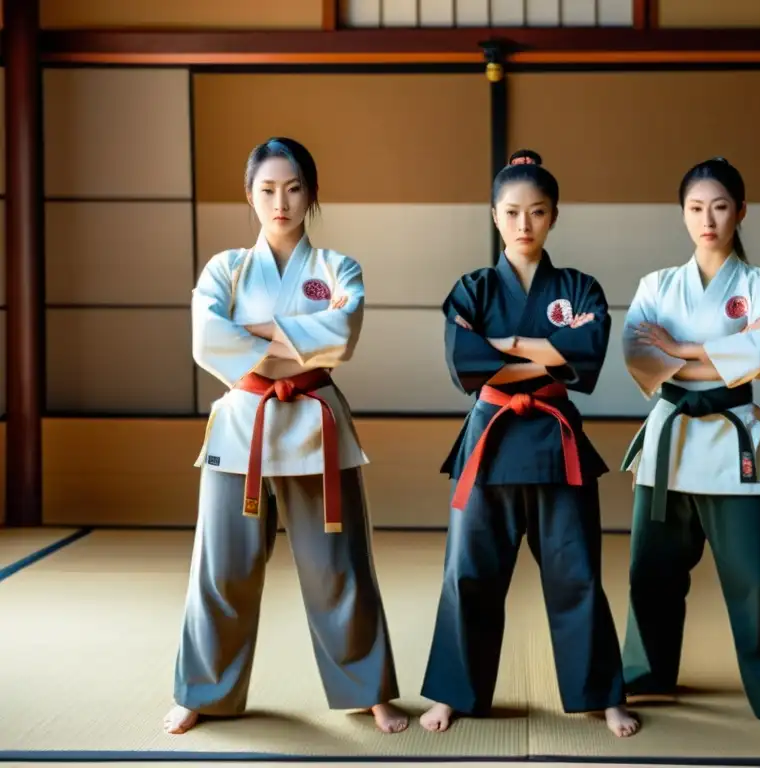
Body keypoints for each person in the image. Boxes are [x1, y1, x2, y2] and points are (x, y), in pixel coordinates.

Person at [163, 137, 408, 736]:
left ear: (311, 194)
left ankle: (369, 690)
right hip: (243, 422)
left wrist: (254, 332)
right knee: (222, 567)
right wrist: (295, 338)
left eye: (294, 189)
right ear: (250, 196)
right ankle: (202, 691)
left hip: (315, 426)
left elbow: (340, 339)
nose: (281, 202)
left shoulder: (337, 268)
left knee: (338, 567)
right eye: (268, 190)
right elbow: (206, 342)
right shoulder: (226, 267)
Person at [417, 150, 638, 738]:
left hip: (555, 444)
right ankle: (452, 693)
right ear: (494, 215)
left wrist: (506, 344)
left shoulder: (579, 287)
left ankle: (602, 693)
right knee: (469, 573)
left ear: (554, 217)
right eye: (512, 212)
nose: (523, 224)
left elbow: (586, 352)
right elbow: (466, 362)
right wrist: (544, 349)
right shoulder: (473, 288)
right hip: (489, 443)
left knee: (578, 573)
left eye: (536, 212)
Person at [619, 157, 760, 748]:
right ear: (682, 213)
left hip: (734, 439)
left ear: (740, 210)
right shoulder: (656, 285)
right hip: (669, 440)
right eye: (695, 207)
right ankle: (645, 673)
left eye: (718, 206)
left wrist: (681, 348)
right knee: (650, 572)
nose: (707, 219)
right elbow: (640, 356)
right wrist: (717, 352)